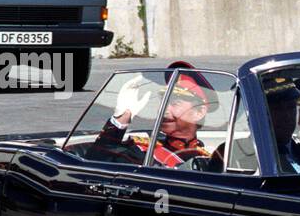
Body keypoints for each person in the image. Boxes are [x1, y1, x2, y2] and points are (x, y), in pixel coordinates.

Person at [87, 64, 215, 167]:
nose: (164, 109)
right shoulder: (143, 150)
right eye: (164, 102)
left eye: (175, 103)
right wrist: (123, 117)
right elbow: (95, 162)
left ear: (199, 112)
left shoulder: (212, 159)